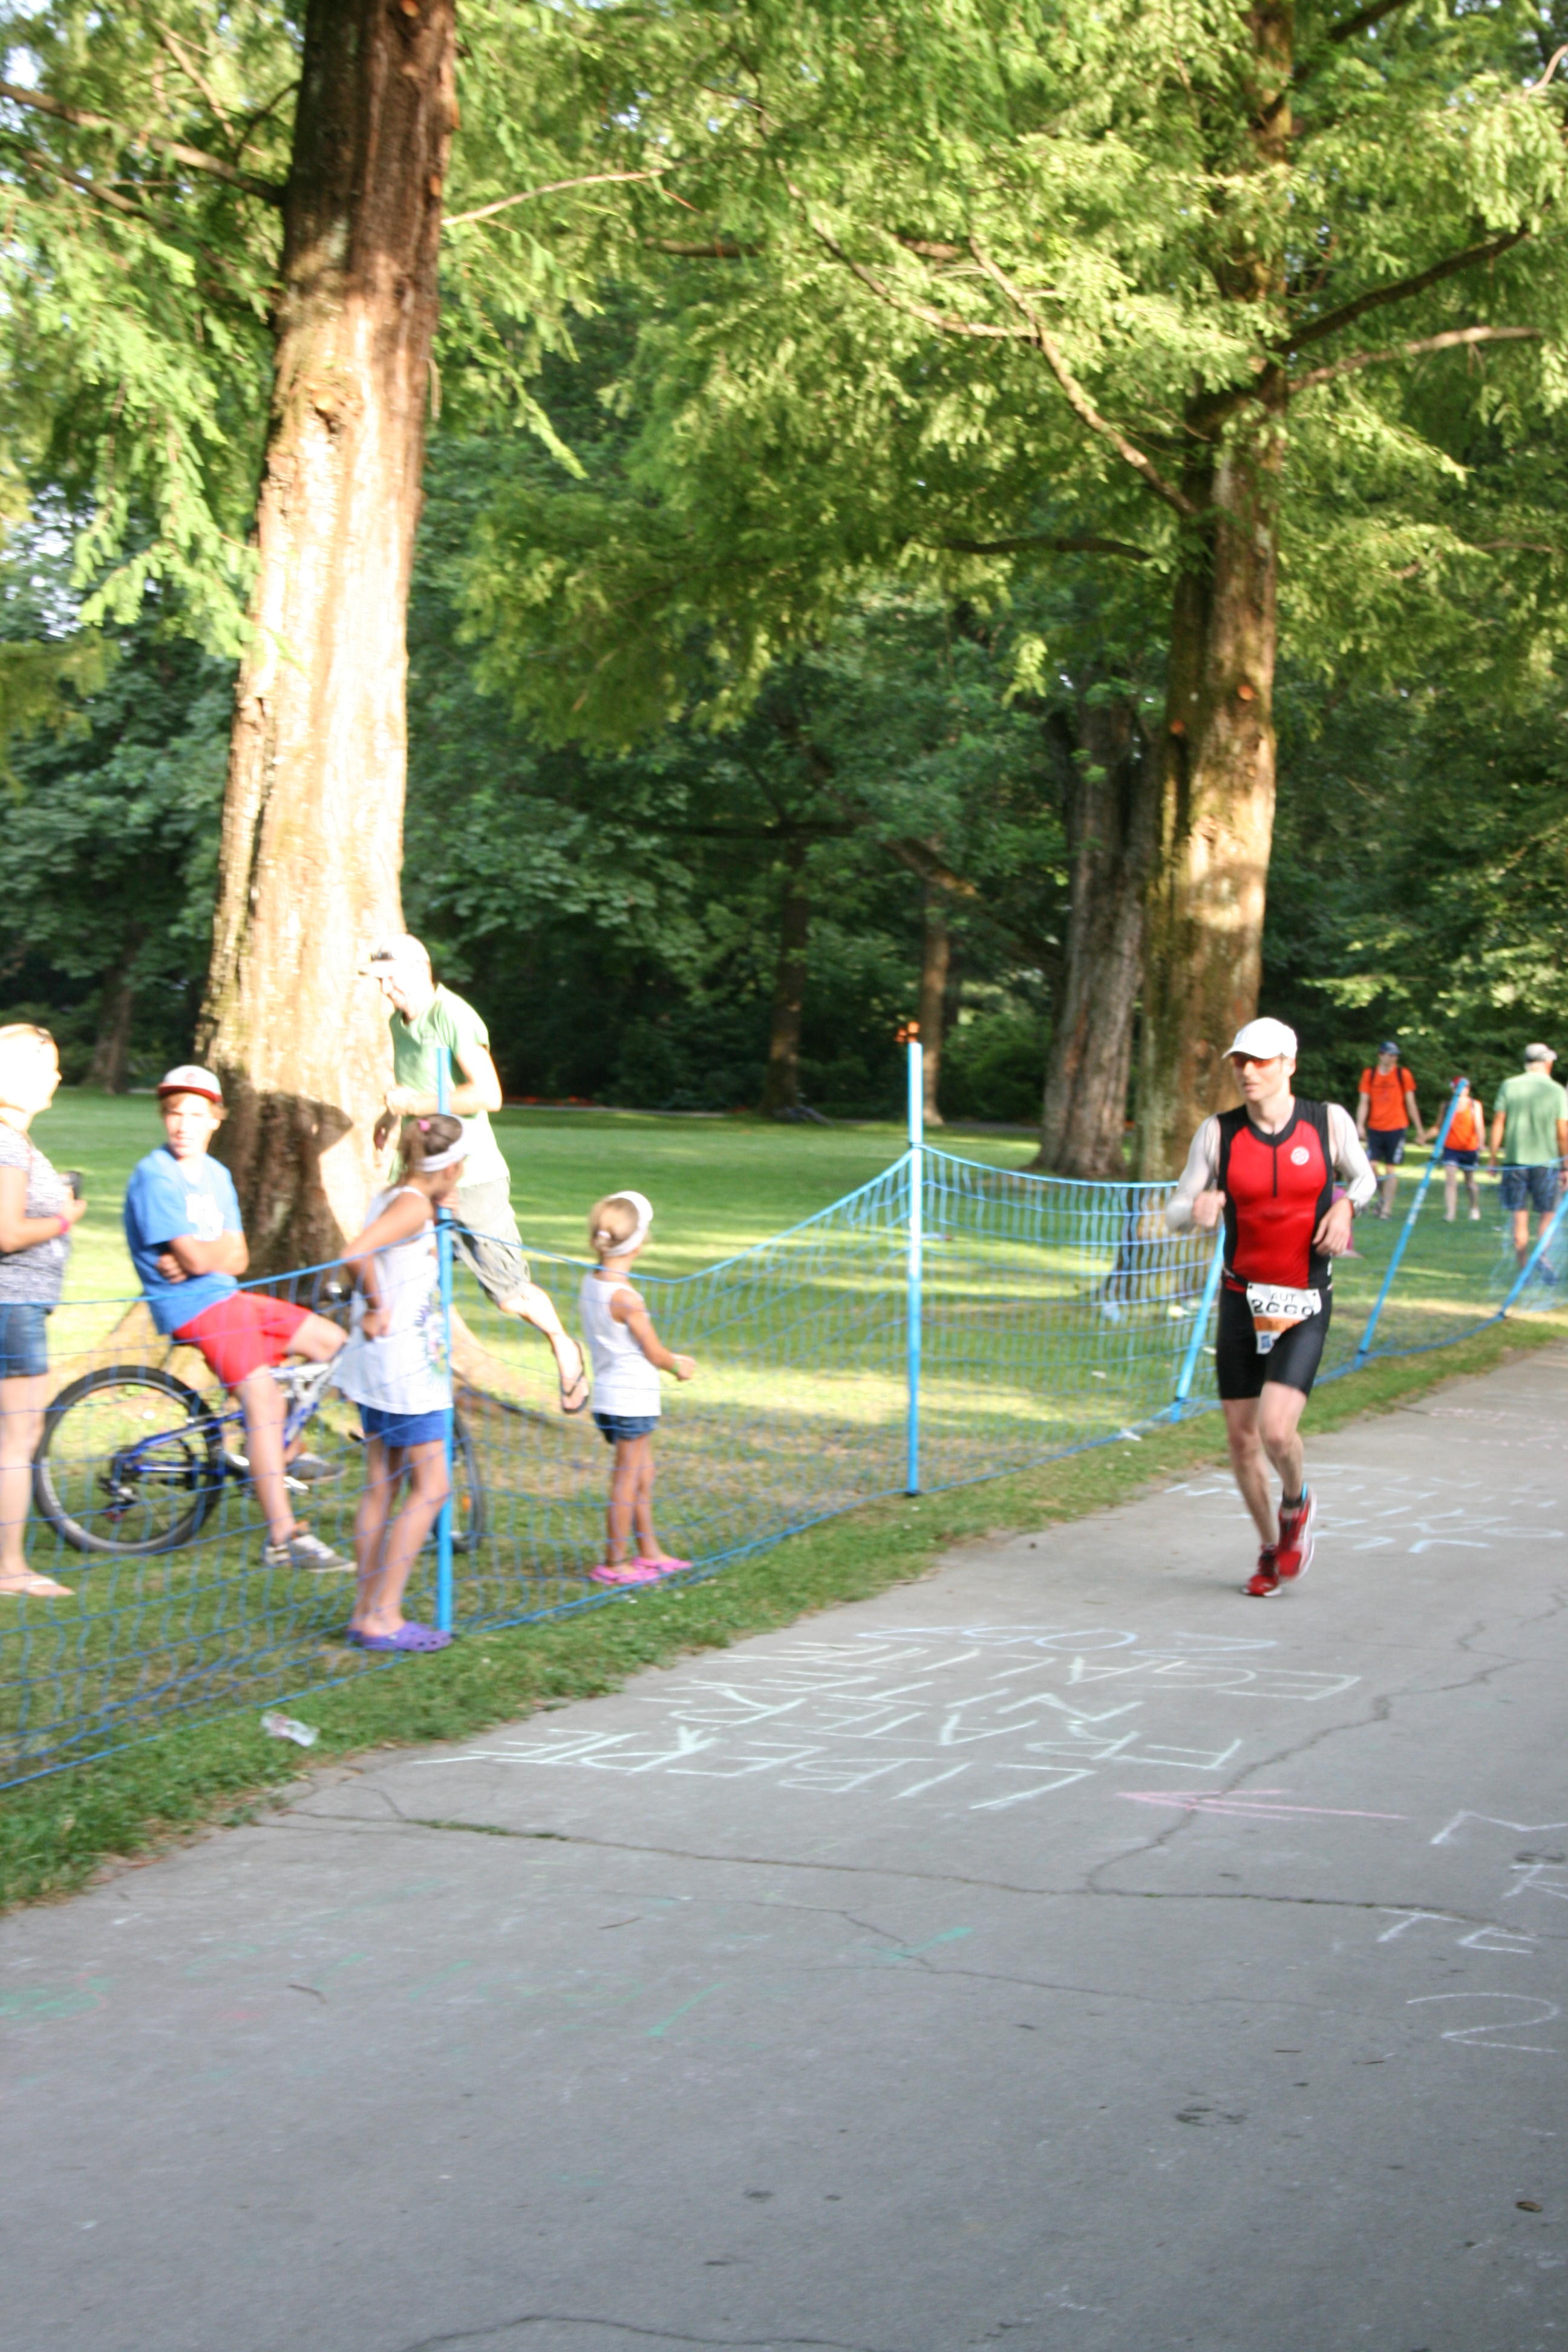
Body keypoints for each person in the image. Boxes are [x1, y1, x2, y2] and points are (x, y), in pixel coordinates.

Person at [1167, 1018, 1376, 1598]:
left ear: (1289, 1064)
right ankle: (1268, 1549)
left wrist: (1345, 1208)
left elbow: (1364, 1180)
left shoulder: (1327, 1121)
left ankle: (1296, 1501)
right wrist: (1196, 1209)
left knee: (1277, 1433)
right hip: (1241, 1300)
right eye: (1241, 1061)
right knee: (1242, 1441)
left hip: (1303, 1300)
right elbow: (1177, 1207)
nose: (1248, 1071)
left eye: (1260, 1061)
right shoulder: (1218, 1133)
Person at [122, 1067, 350, 1572]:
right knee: (263, 1400)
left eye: (196, 1114)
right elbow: (201, 1259)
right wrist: (207, 1255)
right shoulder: (156, 1175)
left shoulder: (215, 1175)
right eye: (174, 1113)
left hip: (227, 1294)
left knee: (332, 1342)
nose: (184, 1124)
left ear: (216, 1120)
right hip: (194, 1307)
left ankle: (279, 1449)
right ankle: (283, 1538)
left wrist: (203, 1256)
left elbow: (238, 1258)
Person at [362, 936, 588, 1412]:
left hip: (473, 1178)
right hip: (422, 1180)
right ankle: (406, 1397)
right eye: (379, 980)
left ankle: (564, 1347)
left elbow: (488, 1095)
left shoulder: (454, 1016)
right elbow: (415, 1085)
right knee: (404, 1281)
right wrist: (391, 1117)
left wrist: (414, 1105)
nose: (385, 989)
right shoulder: (398, 1023)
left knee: (509, 1296)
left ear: (420, 968)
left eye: (391, 978)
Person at [334, 1115, 465, 1653]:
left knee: (382, 1483)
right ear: (453, 1166)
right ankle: (384, 1614)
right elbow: (354, 1254)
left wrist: (441, 1215)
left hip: (383, 1365)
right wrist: (377, 1305)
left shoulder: (401, 1198)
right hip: (404, 1370)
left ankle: (365, 1610)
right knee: (432, 1486)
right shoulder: (410, 1207)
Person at [0, 1025, 87, 1600]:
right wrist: (65, 1218)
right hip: (13, 1306)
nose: (57, 1076)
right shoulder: (7, 1143)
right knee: (18, 1436)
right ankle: (9, 1569)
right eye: (48, 1065)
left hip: (16, 1306)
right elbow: (7, 1233)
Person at [579, 1191, 696, 1587]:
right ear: (638, 1243)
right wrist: (677, 1364)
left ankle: (650, 1552)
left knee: (643, 1475)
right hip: (630, 1401)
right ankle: (615, 1561)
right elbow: (654, 1352)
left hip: (612, 1398)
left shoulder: (592, 1282)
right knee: (627, 1480)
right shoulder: (627, 1299)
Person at [1489, 1043, 1568, 1273]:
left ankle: (1524, 1268)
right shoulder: (1556, 1090)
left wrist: (1493, 1157)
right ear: (1546, 1062)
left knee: (1519, 1215)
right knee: (1548, 1212)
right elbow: (1562, 1132)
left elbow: (1498, 1123)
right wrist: (1566, 1164)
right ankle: (1541, 1256)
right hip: (1547, 1163)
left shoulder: (1509, 1085)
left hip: (1514, 1162)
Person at [1356, 1040, 1425, 1218]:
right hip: (1375, 1127)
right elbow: (1364, 1102)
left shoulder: (1403, 1074)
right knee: (1370, 1167)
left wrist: (1419, 1130)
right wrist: (1360, 1124)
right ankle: (1383, 1196)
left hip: (1396, 1127)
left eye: (1395, 1055)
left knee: (1390, 1168)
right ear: (1381, 1055)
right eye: (1390, 1055)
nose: (1393, 1058)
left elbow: (1411, 1103)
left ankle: (1387, 1208)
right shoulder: (1370, 1074)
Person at [1440, 1076, 1486, 1223]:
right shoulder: (1447, 1105)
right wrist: (1424, 1137)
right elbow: (1439, 1126)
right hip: (1451, 1148)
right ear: (1452, 1089)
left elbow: (1479, 1126)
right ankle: (1450, 1213)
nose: (1461, 1090)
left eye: (1464, 1087)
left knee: (1470, 1182)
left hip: (1469, 1148)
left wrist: (1482, 1143)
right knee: (1450, 1180)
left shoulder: (1474, 1105)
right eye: (1457, 1087)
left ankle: (1474, 1208)